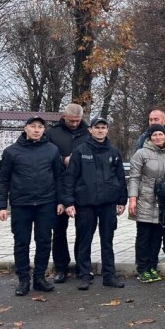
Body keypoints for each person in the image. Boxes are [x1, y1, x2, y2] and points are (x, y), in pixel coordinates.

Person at [0, 116, 64, 296]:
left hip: (46, 203)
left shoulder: (52, 150)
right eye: (33, 126)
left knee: (43, 241)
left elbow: (59, 177)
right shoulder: (11, 152)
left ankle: (40, 278)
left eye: (40, 127)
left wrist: (61, 201)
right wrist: (1, 206)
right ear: (25, 128)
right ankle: (23, 280)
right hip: (21, 204)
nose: (36, 130)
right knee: (21, 243)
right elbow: (2, 179)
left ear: (44, 130)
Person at [63, 117, 127, 290]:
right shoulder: (80, 151)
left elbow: (120, 177)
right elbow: (70, 178)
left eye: (103, 127)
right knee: (84, 240)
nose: (100, 130)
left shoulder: (113, 151)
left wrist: (122, 200)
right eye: (97, 127)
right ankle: (84, 274)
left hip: (108, 203)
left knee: (108, 240)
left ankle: (109, 275)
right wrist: (68, 202)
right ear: (90, 130)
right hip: (85, 203)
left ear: (107, 130)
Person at [45, 103, 88, 283]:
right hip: (59, 186)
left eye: (78, 121)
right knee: (59, 230)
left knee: (83, 230)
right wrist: (64, 159)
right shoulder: (52, 133)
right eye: (72, 121)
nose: (75, 124)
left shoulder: (88, 133)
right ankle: (61, 267)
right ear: (64, 117)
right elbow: (45, 156)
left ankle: (81, 266)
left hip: (82, 187)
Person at [128, 125, 165, 283]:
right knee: (144, 236)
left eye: (161, 134)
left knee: (157, 236)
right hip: (145, 199)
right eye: (155, 135)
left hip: (162, 201)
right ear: (150, 137)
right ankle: (142, 268)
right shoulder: (141, 153)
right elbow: (134, 177)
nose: (158, 137)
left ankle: (153, 266)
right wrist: (132, 198)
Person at [135, 109, 165, 264]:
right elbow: (138, 169)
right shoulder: (143, 139)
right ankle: (143, 263)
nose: (153, 122)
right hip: (148, 194)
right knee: (147, 231)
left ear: (164, 120)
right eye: (151, 119)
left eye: (156, 119)